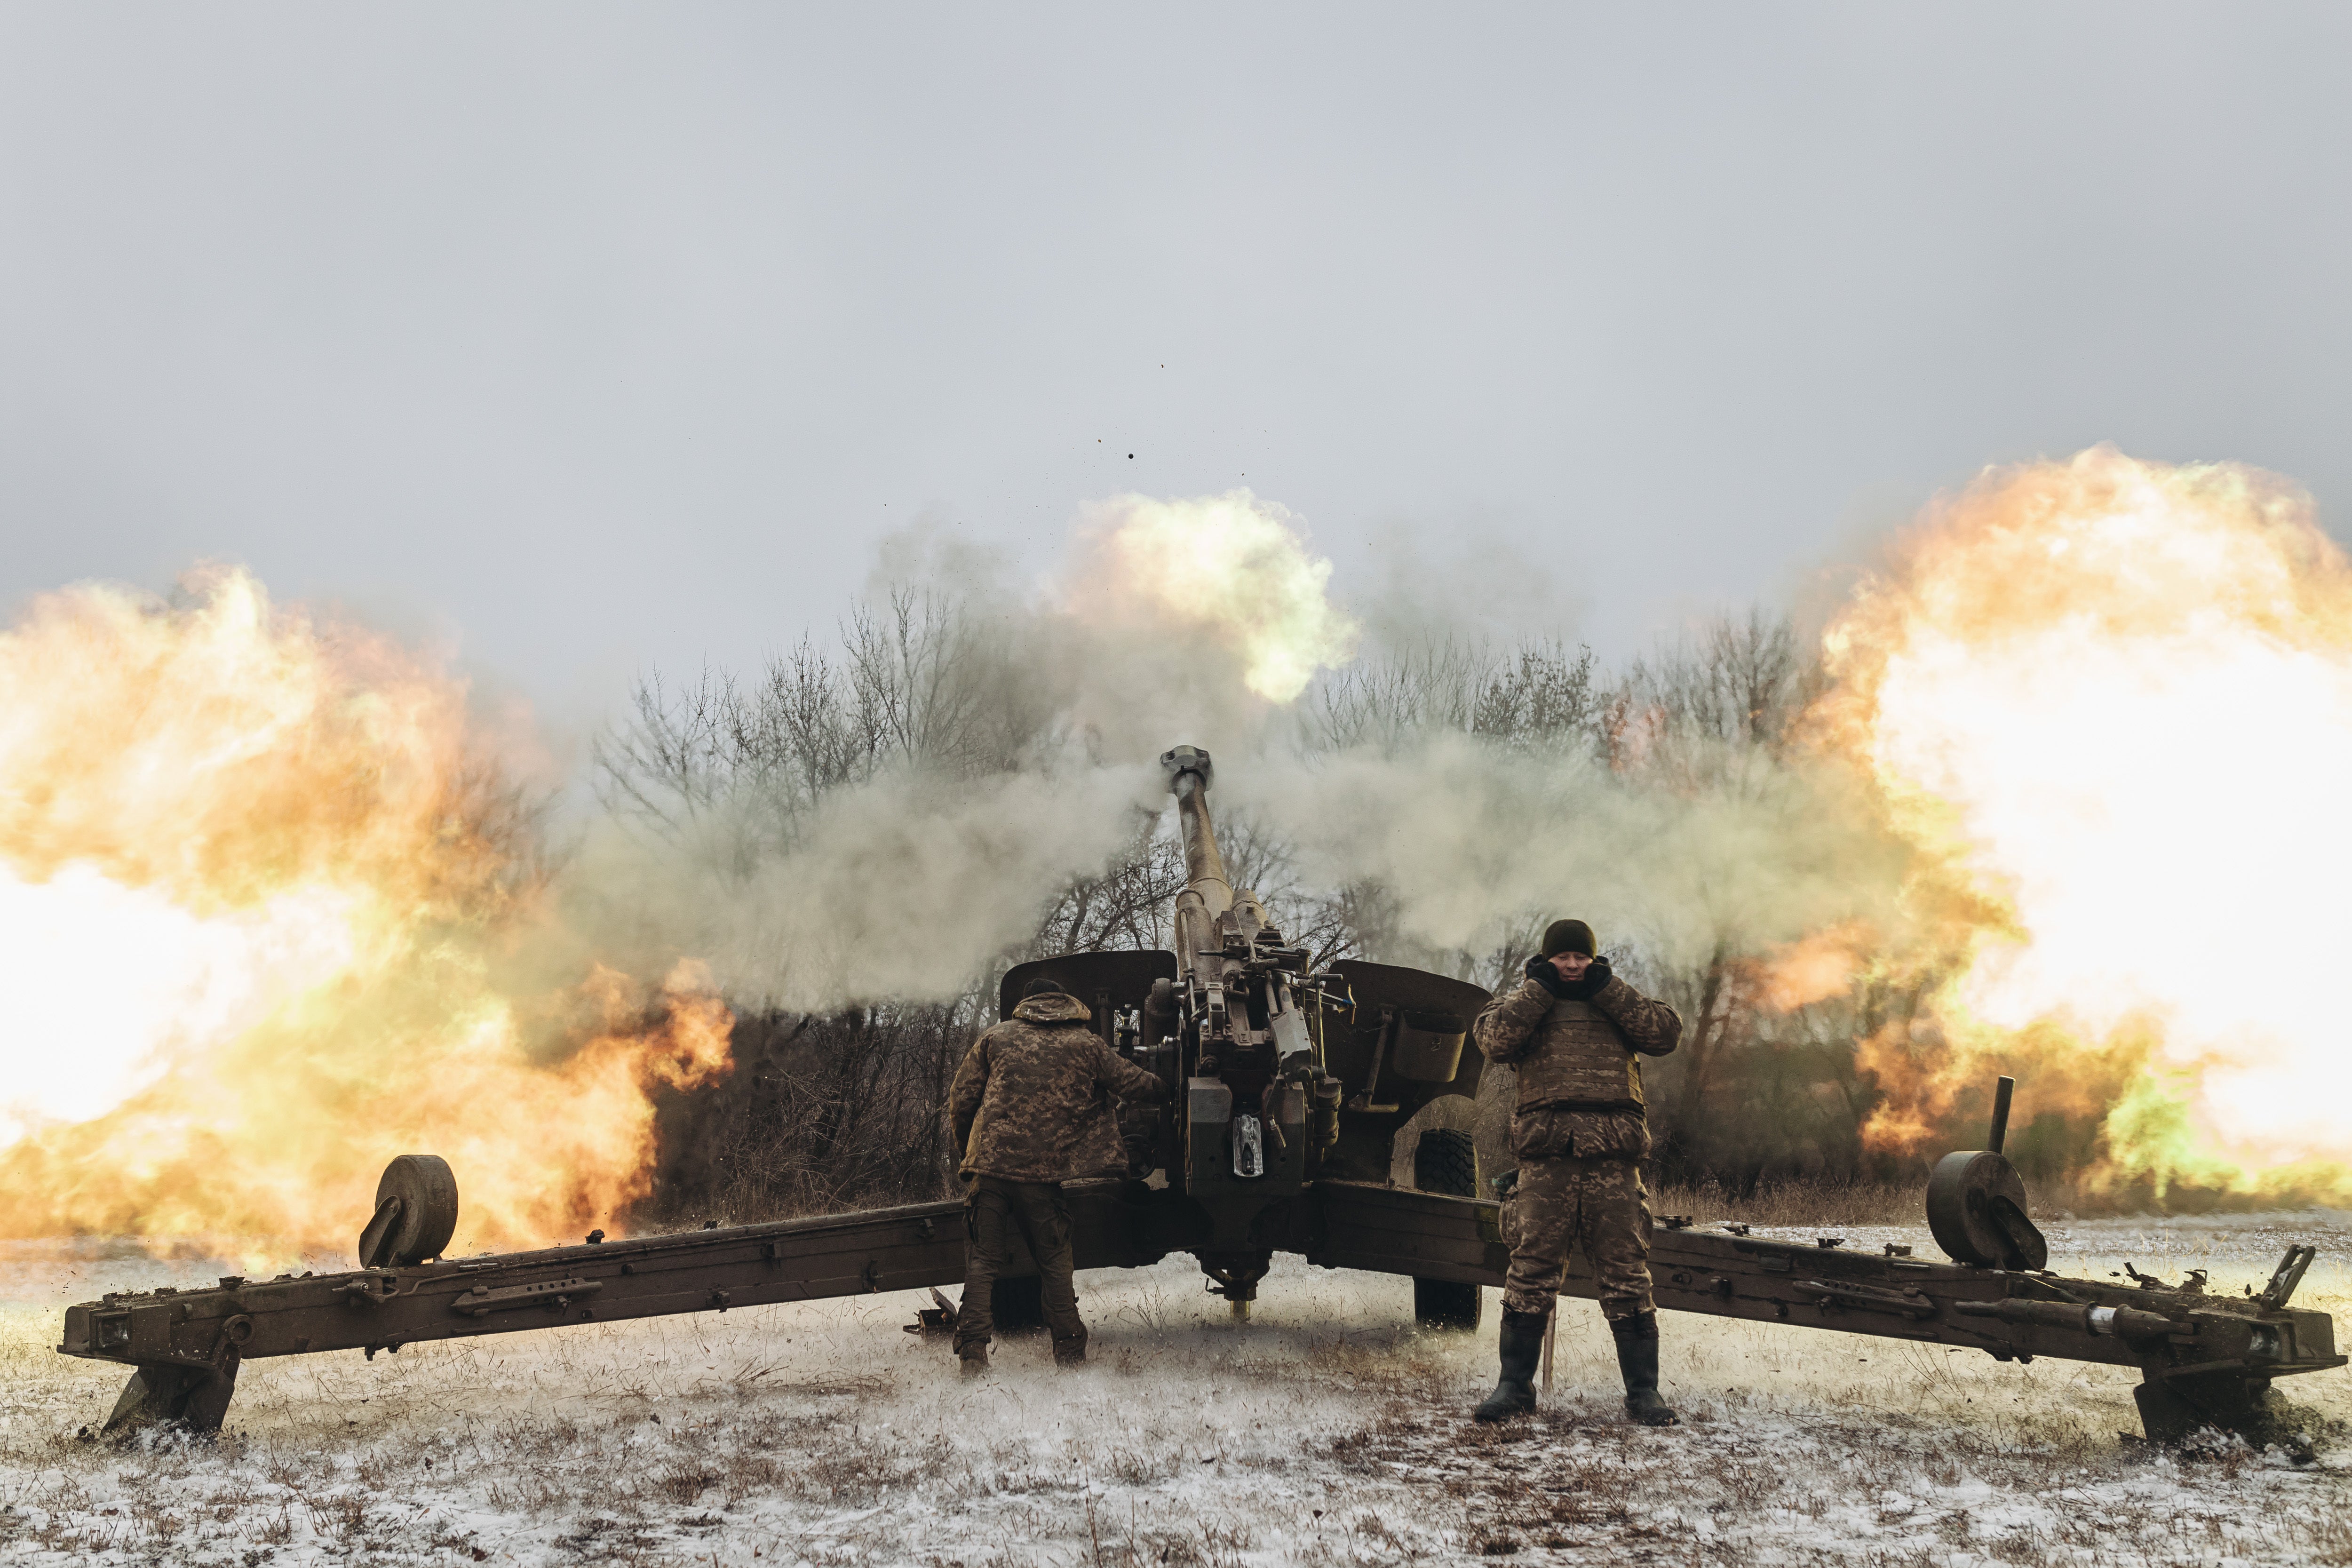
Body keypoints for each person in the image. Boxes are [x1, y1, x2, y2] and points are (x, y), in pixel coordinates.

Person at [1469, 918, 1683, 1425]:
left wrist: (1606, 988)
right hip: (1547, 1162)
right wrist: (1537, 991)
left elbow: (1663, 1033)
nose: (1571, 966)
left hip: (1613, 1161)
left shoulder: (1616, 1002)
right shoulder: (1524, 1003)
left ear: (1592, 958)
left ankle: (1643, 1392)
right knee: (1530, 1272)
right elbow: (1493, 1040)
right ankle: (1513, 1387)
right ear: (1547, 959)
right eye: (1562, 958)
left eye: (1579, 958)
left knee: (1627, 1275)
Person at [946, 973, 1168, 1376]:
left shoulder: (996, 1038)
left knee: (983, 1260)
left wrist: (971, 1151)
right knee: (1054, 1260)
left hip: (989, 1170)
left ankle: (973, 1352)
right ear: (1063, 1001)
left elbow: (961, 1099)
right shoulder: (1086, 1044)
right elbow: (1133, 1083)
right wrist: (1169, 1085)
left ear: (1026, 1003)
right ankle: (1068, 1350)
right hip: (1041, 1177)